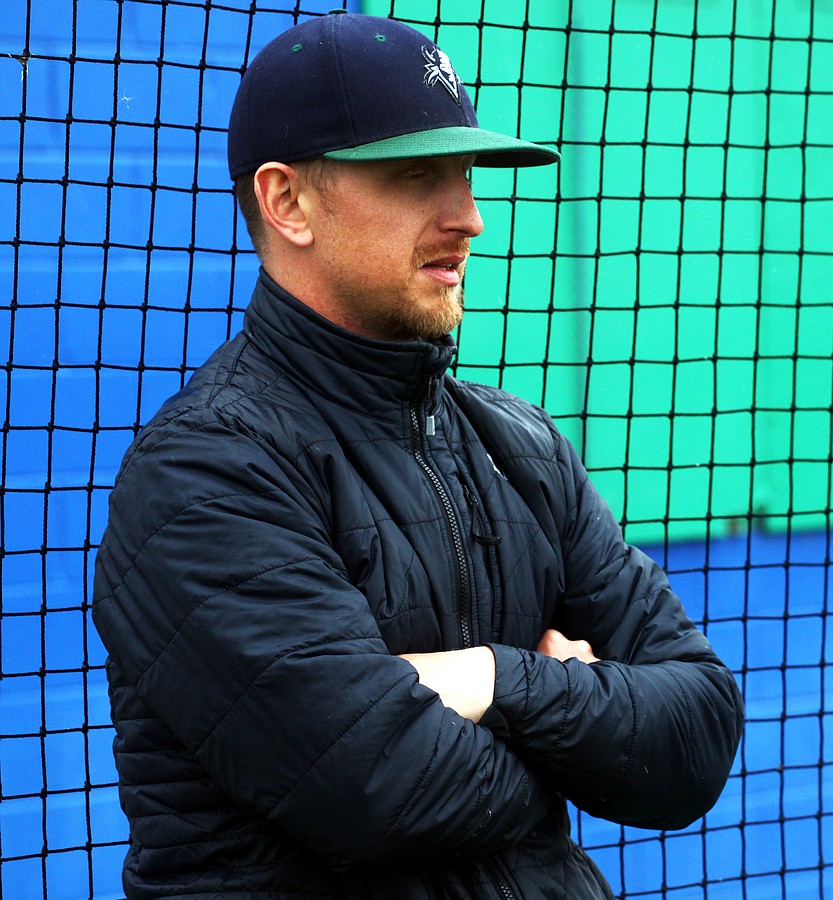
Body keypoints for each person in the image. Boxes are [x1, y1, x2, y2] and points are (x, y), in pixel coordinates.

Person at [92, 10, 744, 899]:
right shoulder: (207, 473)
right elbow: (383, 788)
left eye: (467, 174)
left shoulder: (525, 449)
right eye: (416, 176)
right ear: (287, 202)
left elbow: (698, 734)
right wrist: (584, 732)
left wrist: (493, 679)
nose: (469, 217)